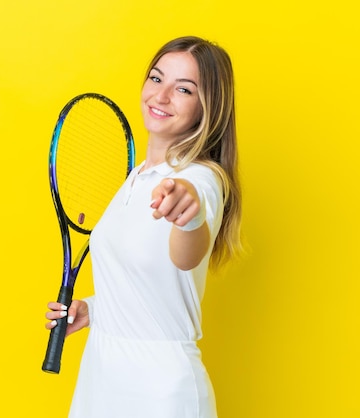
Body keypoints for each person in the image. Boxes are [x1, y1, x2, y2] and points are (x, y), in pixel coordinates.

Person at [45, 35, 242, 418]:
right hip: (100, 380)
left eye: (183, 89)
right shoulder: (134, 177)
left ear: (208, 108)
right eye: (156, 79)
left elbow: (188, 254)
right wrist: (95, 310)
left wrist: (191, 212)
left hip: (162, 393)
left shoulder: (202, 180)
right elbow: (152, 285)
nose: (161, 95)